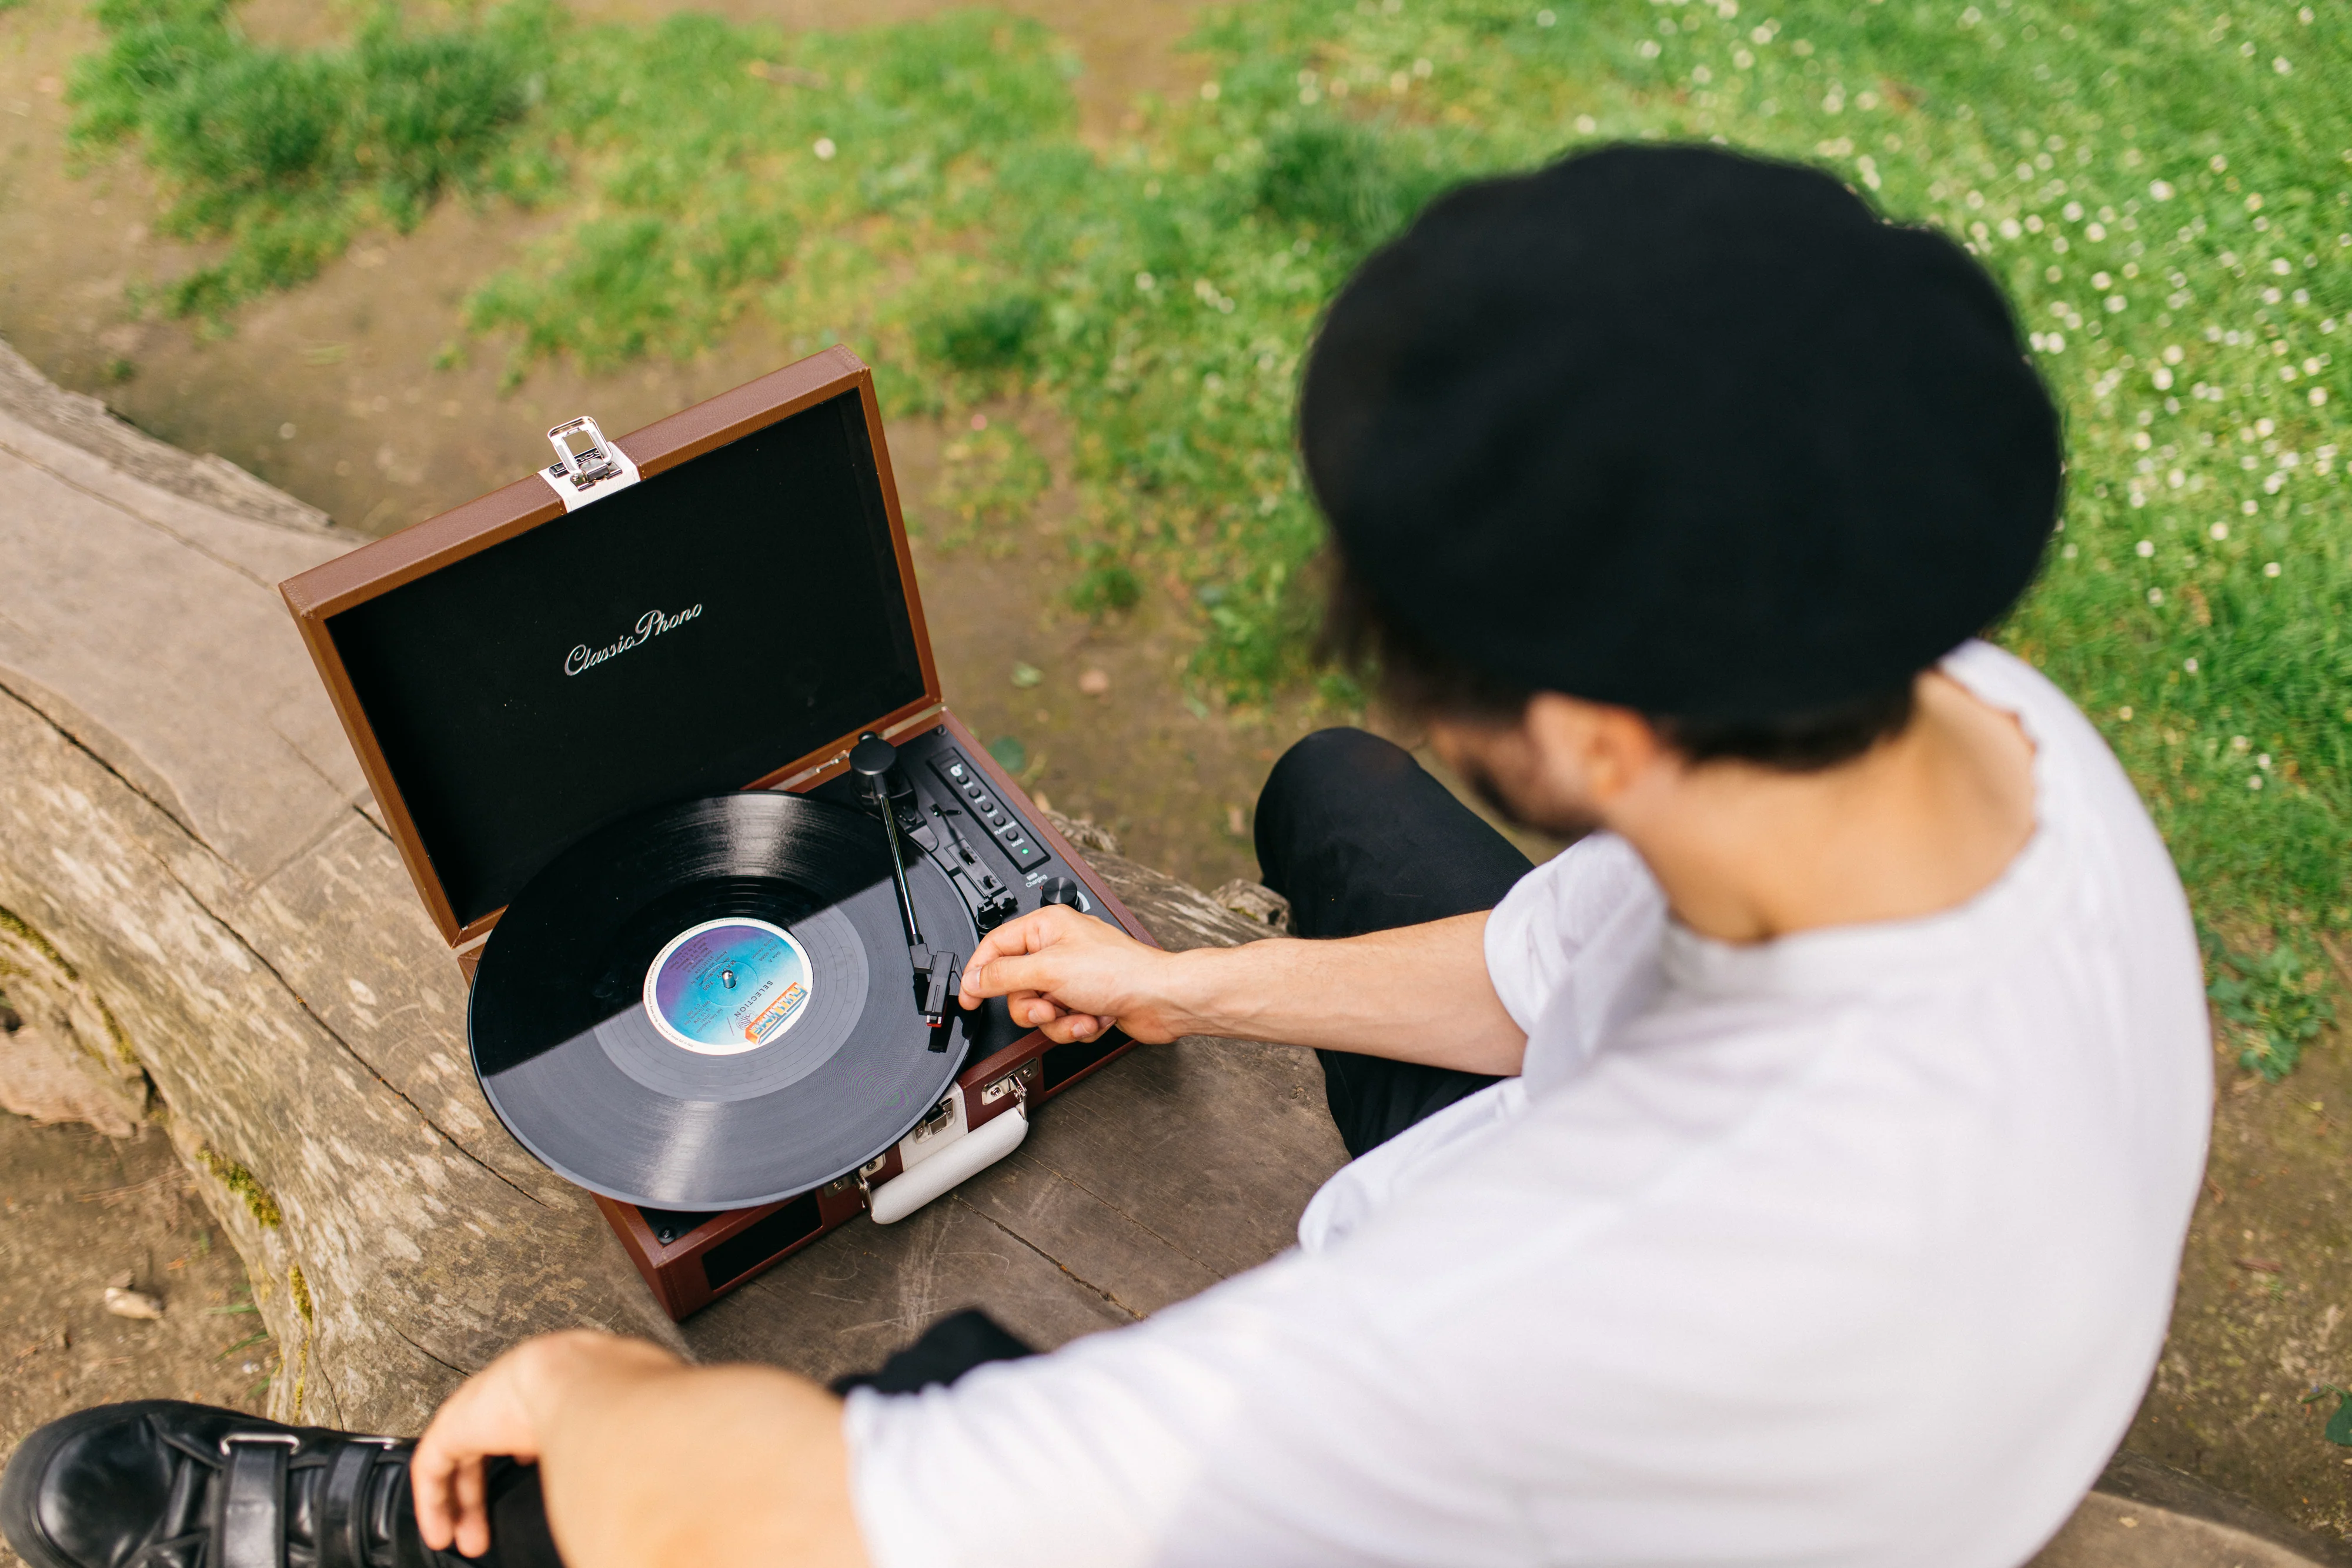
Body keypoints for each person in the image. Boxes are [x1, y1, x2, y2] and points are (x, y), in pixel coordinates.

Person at [1, 143, 2211, 1568]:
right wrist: (1176, 989)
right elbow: (1553, 971)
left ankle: (421, 1530)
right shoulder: (1947, 707)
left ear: (1599, 735)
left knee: (915, 1401)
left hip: (1666, 1479)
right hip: (1918, 1346)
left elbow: (864, 1519)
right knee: (1339, 801)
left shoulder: (1537, 1314)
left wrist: (602, 1409)